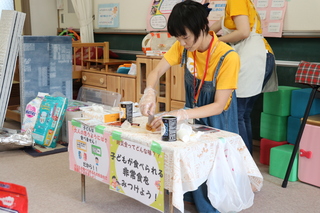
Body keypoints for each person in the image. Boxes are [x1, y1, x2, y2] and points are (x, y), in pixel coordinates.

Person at [139, 1, 240, 212]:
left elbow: (219, 106)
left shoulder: (228, 56)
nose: (182, 43)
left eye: (185, 36)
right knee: (190, 161)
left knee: (215, 176)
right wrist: (149, 91)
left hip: (218, 119)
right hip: (192, 115)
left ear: (203, 27)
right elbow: (156, 72)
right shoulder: (182, 47)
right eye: (178, 37)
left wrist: (181, 113)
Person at [210, 0, 278, 154]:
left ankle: (242, 161)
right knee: (243, 113)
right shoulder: (234, 5)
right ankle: (246, 161)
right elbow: (214, 27)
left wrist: (215, 42)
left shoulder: (236, 1)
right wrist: (203, 34)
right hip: (261, 56)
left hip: (253, 58)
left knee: (238, 113)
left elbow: (243, 32)